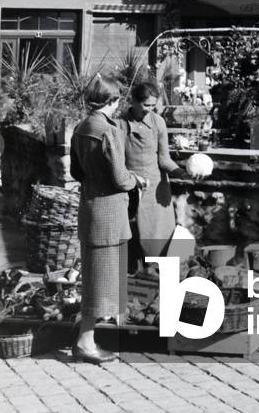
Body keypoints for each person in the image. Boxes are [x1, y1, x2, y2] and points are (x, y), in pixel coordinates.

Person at [70, 73, 146, 364]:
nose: (118, 106)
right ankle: (85, 342)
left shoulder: (81, 128)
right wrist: (135, 180)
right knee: (100, 281)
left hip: (90, 208)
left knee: (94, 278)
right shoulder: (107, 130)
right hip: (109, 212)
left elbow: (77, 172)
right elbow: (118, 176)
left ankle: (87, 337)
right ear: (111, 100)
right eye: (117, 101)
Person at [120, 80, 186, 265]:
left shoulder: (158, 122)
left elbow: (164, 159)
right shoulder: (120, 125)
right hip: (130, 188)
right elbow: (116, 161)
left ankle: (157, 278)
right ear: (133, 101)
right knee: (132, 237)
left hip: (157, 191)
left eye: (152, 105)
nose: (149, 109)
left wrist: (181, 172)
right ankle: (136, 279)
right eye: (145, 105)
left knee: (160, 239)